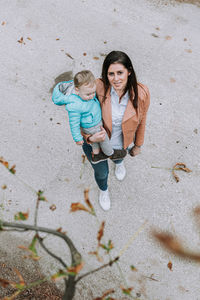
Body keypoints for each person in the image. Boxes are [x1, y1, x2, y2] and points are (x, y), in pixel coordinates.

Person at [82, 51, 150, 211]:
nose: (116, 78)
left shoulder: (141, 93)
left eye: (120, 72)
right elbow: (80, 116)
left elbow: (143, 119)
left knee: (119, 157)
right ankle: (103, 190)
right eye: (111, 74)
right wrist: (89, 139)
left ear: (129, 71)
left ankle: (119, 163)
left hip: (121, 142)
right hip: (95, 143)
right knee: (101, 174)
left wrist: (138, 145)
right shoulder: (97, 87)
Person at [52, 70, 127, 164]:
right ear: (77, 90)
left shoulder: (84, 91)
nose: (92, 96)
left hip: (92, 121)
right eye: (88, 94)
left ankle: (96, 155)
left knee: (95, 142)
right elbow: (73, 124)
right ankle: (110, 153)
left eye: (93, 92)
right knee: (103, 137)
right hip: (91, 124)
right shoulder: (74, 105)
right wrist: (78, 138)